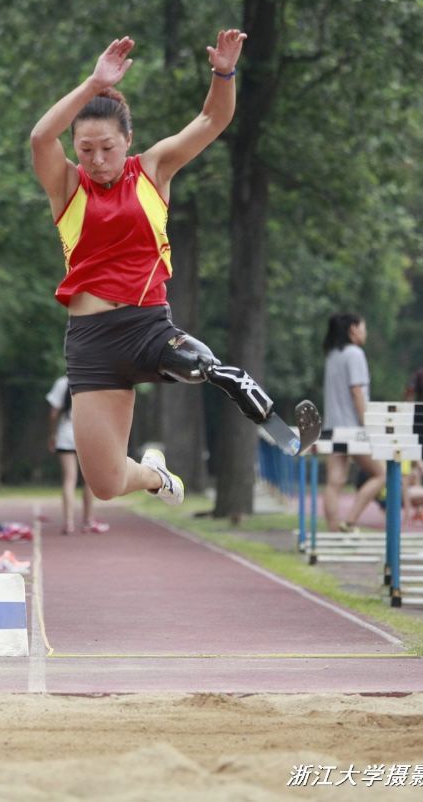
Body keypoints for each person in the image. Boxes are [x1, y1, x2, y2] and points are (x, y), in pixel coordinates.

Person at [29, 32, 317, 507]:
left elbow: (212, 118)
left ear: (128, 141)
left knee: (204, 368)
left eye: (107, 148)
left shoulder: (153, 170)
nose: (97, 161)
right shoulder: (66, 185)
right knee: (103, 485)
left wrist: (224, 73)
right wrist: (92, 83)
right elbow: (42, 137)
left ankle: (268, 417)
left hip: (147, 325)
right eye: (85, 150)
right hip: (91, 342)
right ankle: (155, 476)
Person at [320, 313, 384, 531]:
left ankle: (332, 529)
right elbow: (357, 391)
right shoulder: (355, 354)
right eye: (363, 328)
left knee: (334, 481)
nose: (365, 333)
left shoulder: (332, 355)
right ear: (353, 329)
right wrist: (367, 423)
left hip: (332, 425)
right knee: (381, 474)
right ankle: (351, 520)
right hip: (352, 428)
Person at [46, 374, 105, 534]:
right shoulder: (94, 381)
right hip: (87, 433)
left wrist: (52, 435)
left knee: (69, 479)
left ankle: (68, 522)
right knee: (89, 480)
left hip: (66, 433)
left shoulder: (62, 382)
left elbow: (53, 414)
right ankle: (88, 521)